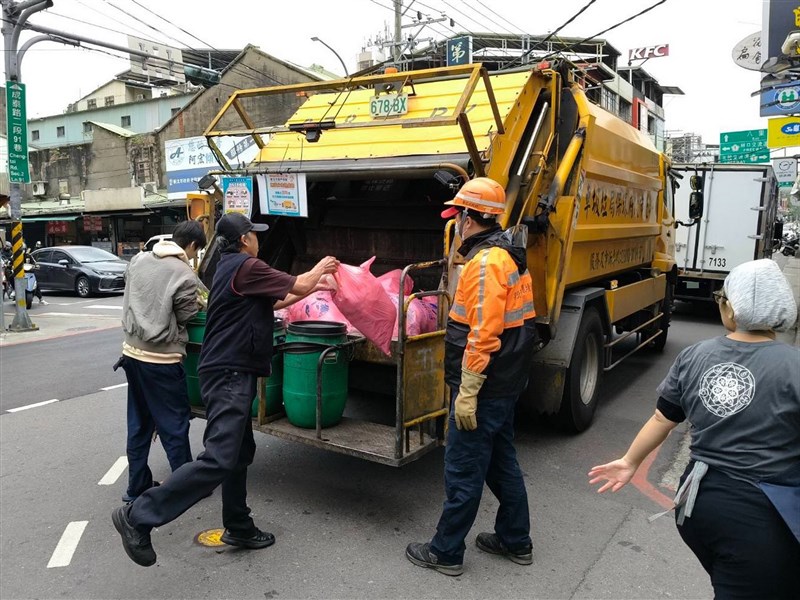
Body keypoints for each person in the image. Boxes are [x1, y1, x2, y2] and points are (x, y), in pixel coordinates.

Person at [112, 212, 339, 567]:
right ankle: (138, 515)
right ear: (245, 239)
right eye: (254, 234)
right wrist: (322, 268)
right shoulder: (246, 266)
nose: (257, 239)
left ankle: (238, 525)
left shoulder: (231, 269)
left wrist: (316, 286)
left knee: (237, 454)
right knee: (219, 457)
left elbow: (277, 300)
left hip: (231, 372)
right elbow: (297, 282)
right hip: (229, 372)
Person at [589, 258, 800, 600]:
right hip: (761, 513)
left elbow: (663, 419)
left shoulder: (696, 355)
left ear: (730, 309)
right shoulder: (793, 367)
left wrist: (630, 461)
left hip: (697, 504)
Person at [406, 177, 538, 576]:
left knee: (463, 468)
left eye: (459, 214)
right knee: (501, 461)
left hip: (485, 383)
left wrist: (469, 390)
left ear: (468, 218)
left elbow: (484, 331)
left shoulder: (485, 263)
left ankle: (445, 552)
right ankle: (516, 540)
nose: (458, 222)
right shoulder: (508, 254)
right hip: (506, 380)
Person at [115, 220, 207, 503]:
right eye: (196, 251)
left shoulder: (139, 259)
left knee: (140, 423)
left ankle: (136, 487)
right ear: (191, 246)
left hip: (131, 354)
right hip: (162, 361)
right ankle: (185, 488)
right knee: (174, 424)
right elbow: (186, 316)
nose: (193, 257)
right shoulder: (184, 273)